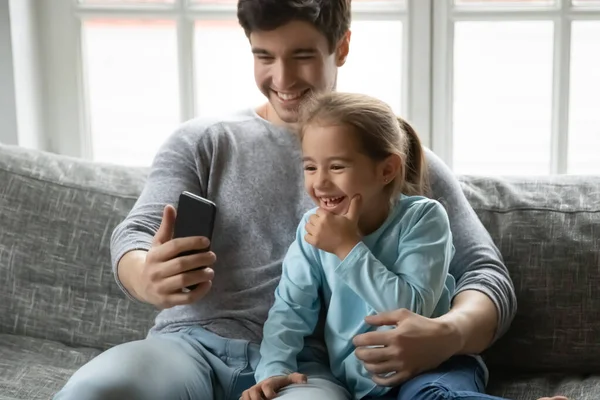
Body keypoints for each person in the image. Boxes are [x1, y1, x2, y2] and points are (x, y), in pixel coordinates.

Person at [53, 1, 567, 399]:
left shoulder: (396, 157)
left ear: (341, 47)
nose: (282, 79)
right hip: (188, 345)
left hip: (311, 367)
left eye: (302, 56)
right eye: (263, 56)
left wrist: (448, 335)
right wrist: (145, 273)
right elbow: (136, 233)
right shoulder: (204, 141)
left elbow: (485, 274)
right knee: (96, 391)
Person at [242, 91, 499, 400]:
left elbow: (411, 307)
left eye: (337, 167)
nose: (320, 182)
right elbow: (290, 310)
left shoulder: (424, 218)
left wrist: (348, 248)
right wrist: (274, 369)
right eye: (310, 167)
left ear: (386, 170)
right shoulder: (313, 229)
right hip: (365, 388)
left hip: (434, 368)